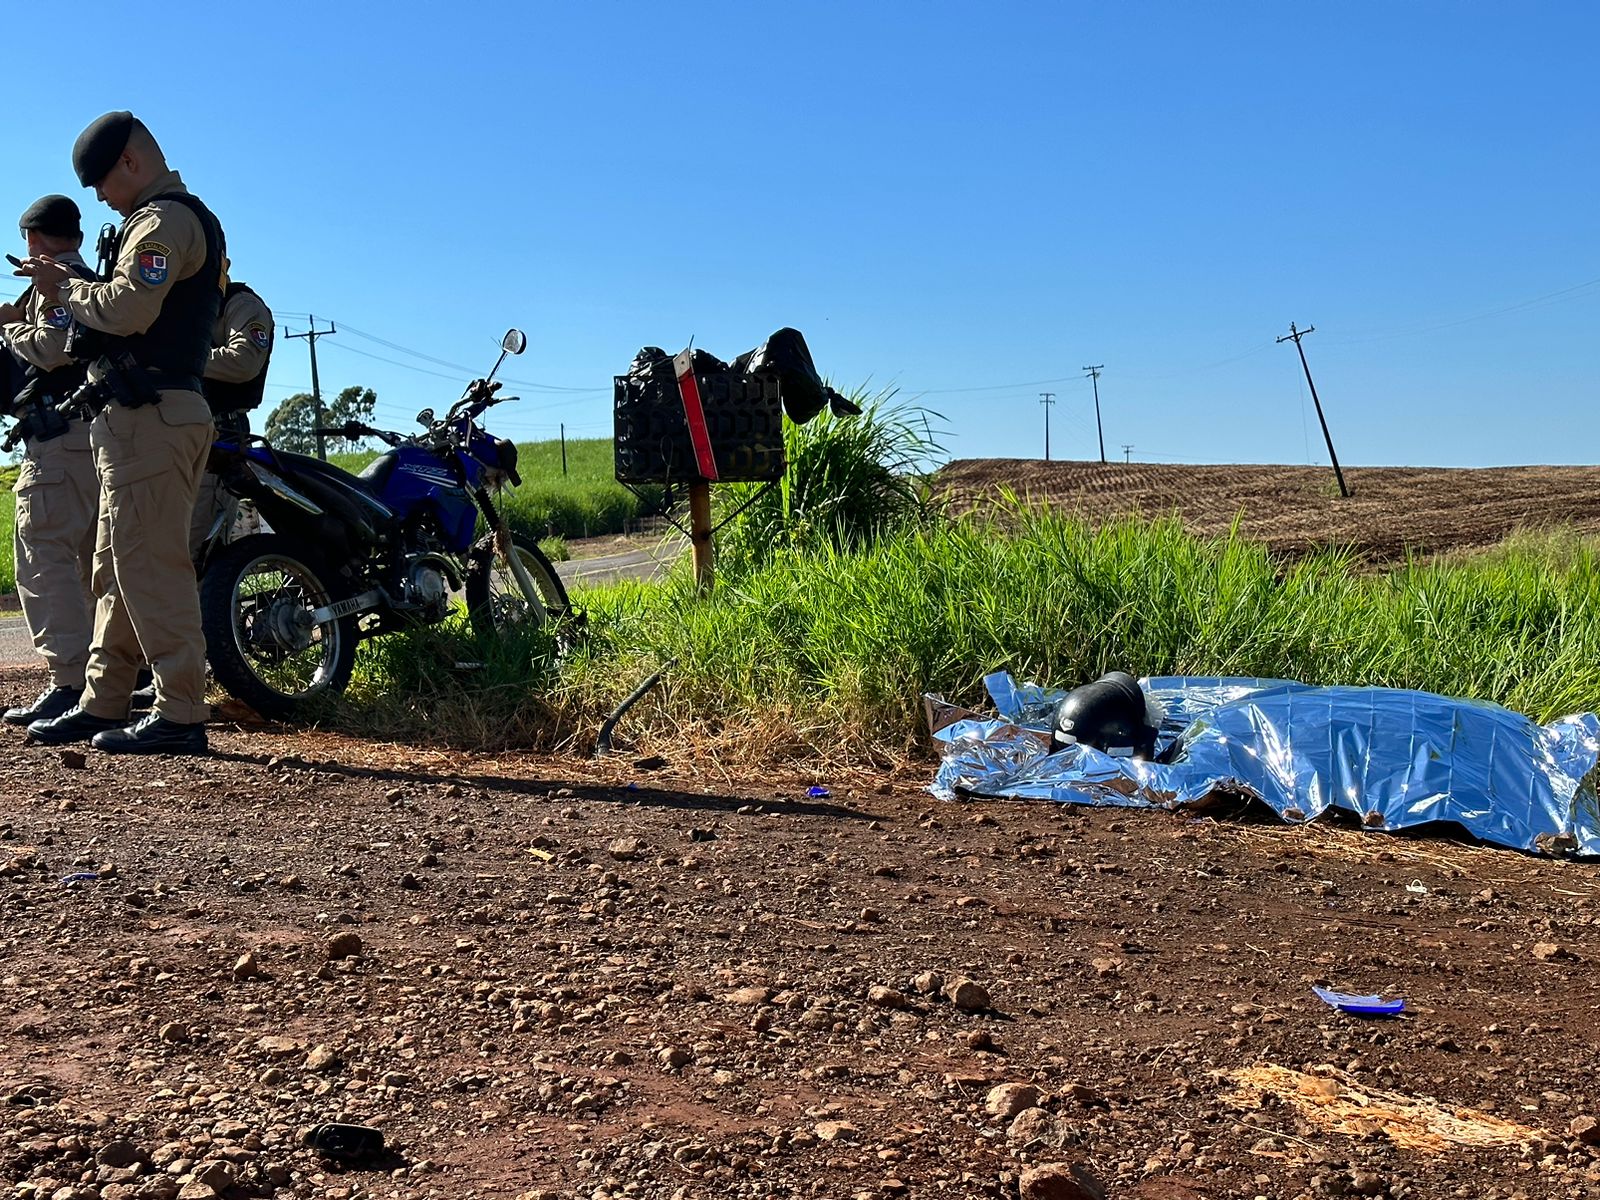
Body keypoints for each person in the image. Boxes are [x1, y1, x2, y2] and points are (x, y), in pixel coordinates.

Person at [16, 111, 224, 755]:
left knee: (150, 566)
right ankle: (103, 699)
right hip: (136, 419)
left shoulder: (164, 221)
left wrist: (66, 286)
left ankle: (181, 709)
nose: (100, 199)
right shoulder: (160, 219)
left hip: (155, 416)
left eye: (102, 184)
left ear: (129, 164)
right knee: (114, 566)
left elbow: (128, 308)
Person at [0, 196, 99, 724]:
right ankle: (106, 682)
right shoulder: (96, 280)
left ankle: (70, 681)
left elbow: (58, 346)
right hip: (95, 436)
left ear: (33, 239)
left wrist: (9, 327)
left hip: (59, 438)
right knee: (89, 564)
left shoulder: (52, 284)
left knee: (43, 554)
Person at [190, 275, 273, 560]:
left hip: (220, 438)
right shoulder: (185, 304)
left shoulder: (240, 304)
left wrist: (179, 359)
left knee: (195, 545)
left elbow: (243, 361)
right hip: (179, 433)